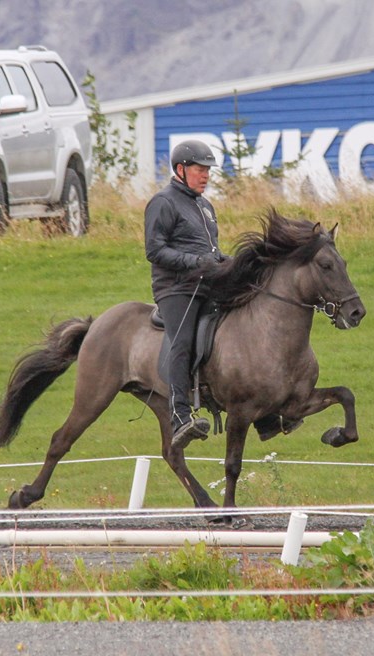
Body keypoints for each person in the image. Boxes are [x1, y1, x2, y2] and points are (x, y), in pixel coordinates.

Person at [144, 139, 226, 449]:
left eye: (208, 171)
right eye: (200, 170)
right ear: (181, 169)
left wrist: (231, 261)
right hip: (175, 288)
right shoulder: (162, 202)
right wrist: (194, 262)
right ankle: (180, 415)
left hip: (208, 282)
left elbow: (210, 252)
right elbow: (154, 250)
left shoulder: (205, 206)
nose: (206, 176)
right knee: (183, 339)